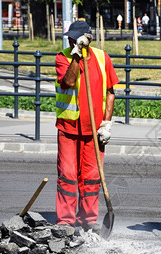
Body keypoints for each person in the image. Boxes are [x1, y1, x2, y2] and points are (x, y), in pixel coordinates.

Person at [54, 21, 119, 233]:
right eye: (70, 38)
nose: (71, 40)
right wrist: (76, 55)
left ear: (88, 38)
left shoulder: (102, 58)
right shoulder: (63, 57)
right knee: (68, 174)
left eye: (76, 38)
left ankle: (88, 219)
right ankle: (65, 221)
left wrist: (107, 124)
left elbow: (110, 91)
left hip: (94, 130)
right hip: (68, 127)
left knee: (91, 177)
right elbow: (69, 82)